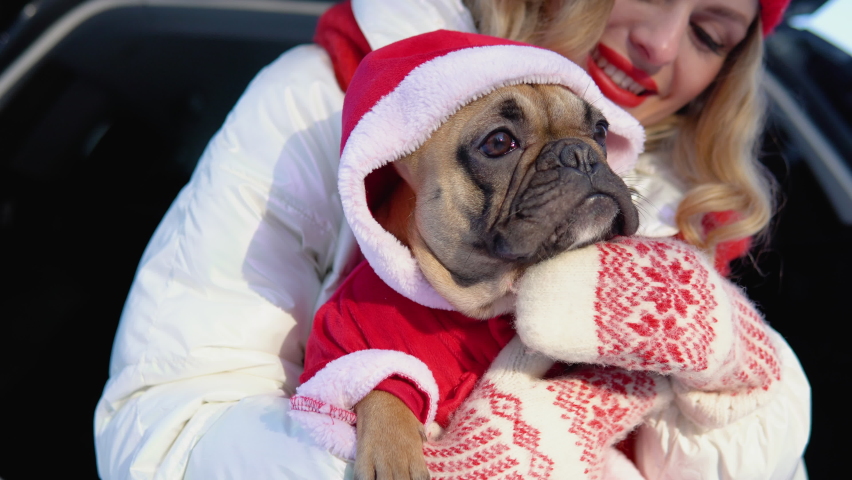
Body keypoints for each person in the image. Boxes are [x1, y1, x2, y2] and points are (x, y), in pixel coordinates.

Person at [93, 1, 810, 479]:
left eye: (710, 35)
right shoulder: (322, 110)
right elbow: (165, 428)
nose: (660, 42)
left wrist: (736, 375)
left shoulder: (693, 217)